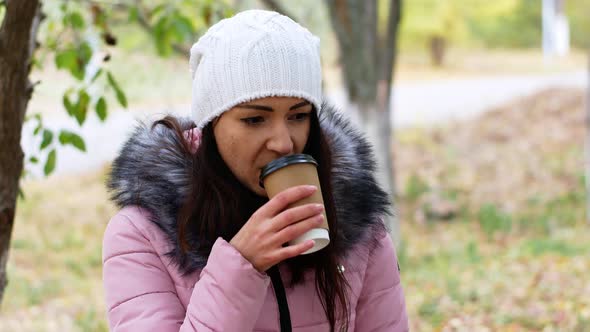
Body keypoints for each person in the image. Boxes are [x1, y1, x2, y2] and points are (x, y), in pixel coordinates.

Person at [102, 9, 408, 332]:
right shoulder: (142, 234)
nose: (283, 142)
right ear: (211, 124)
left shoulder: (355, 222)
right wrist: (240, 266)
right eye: (255, 119)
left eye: (298, 116)